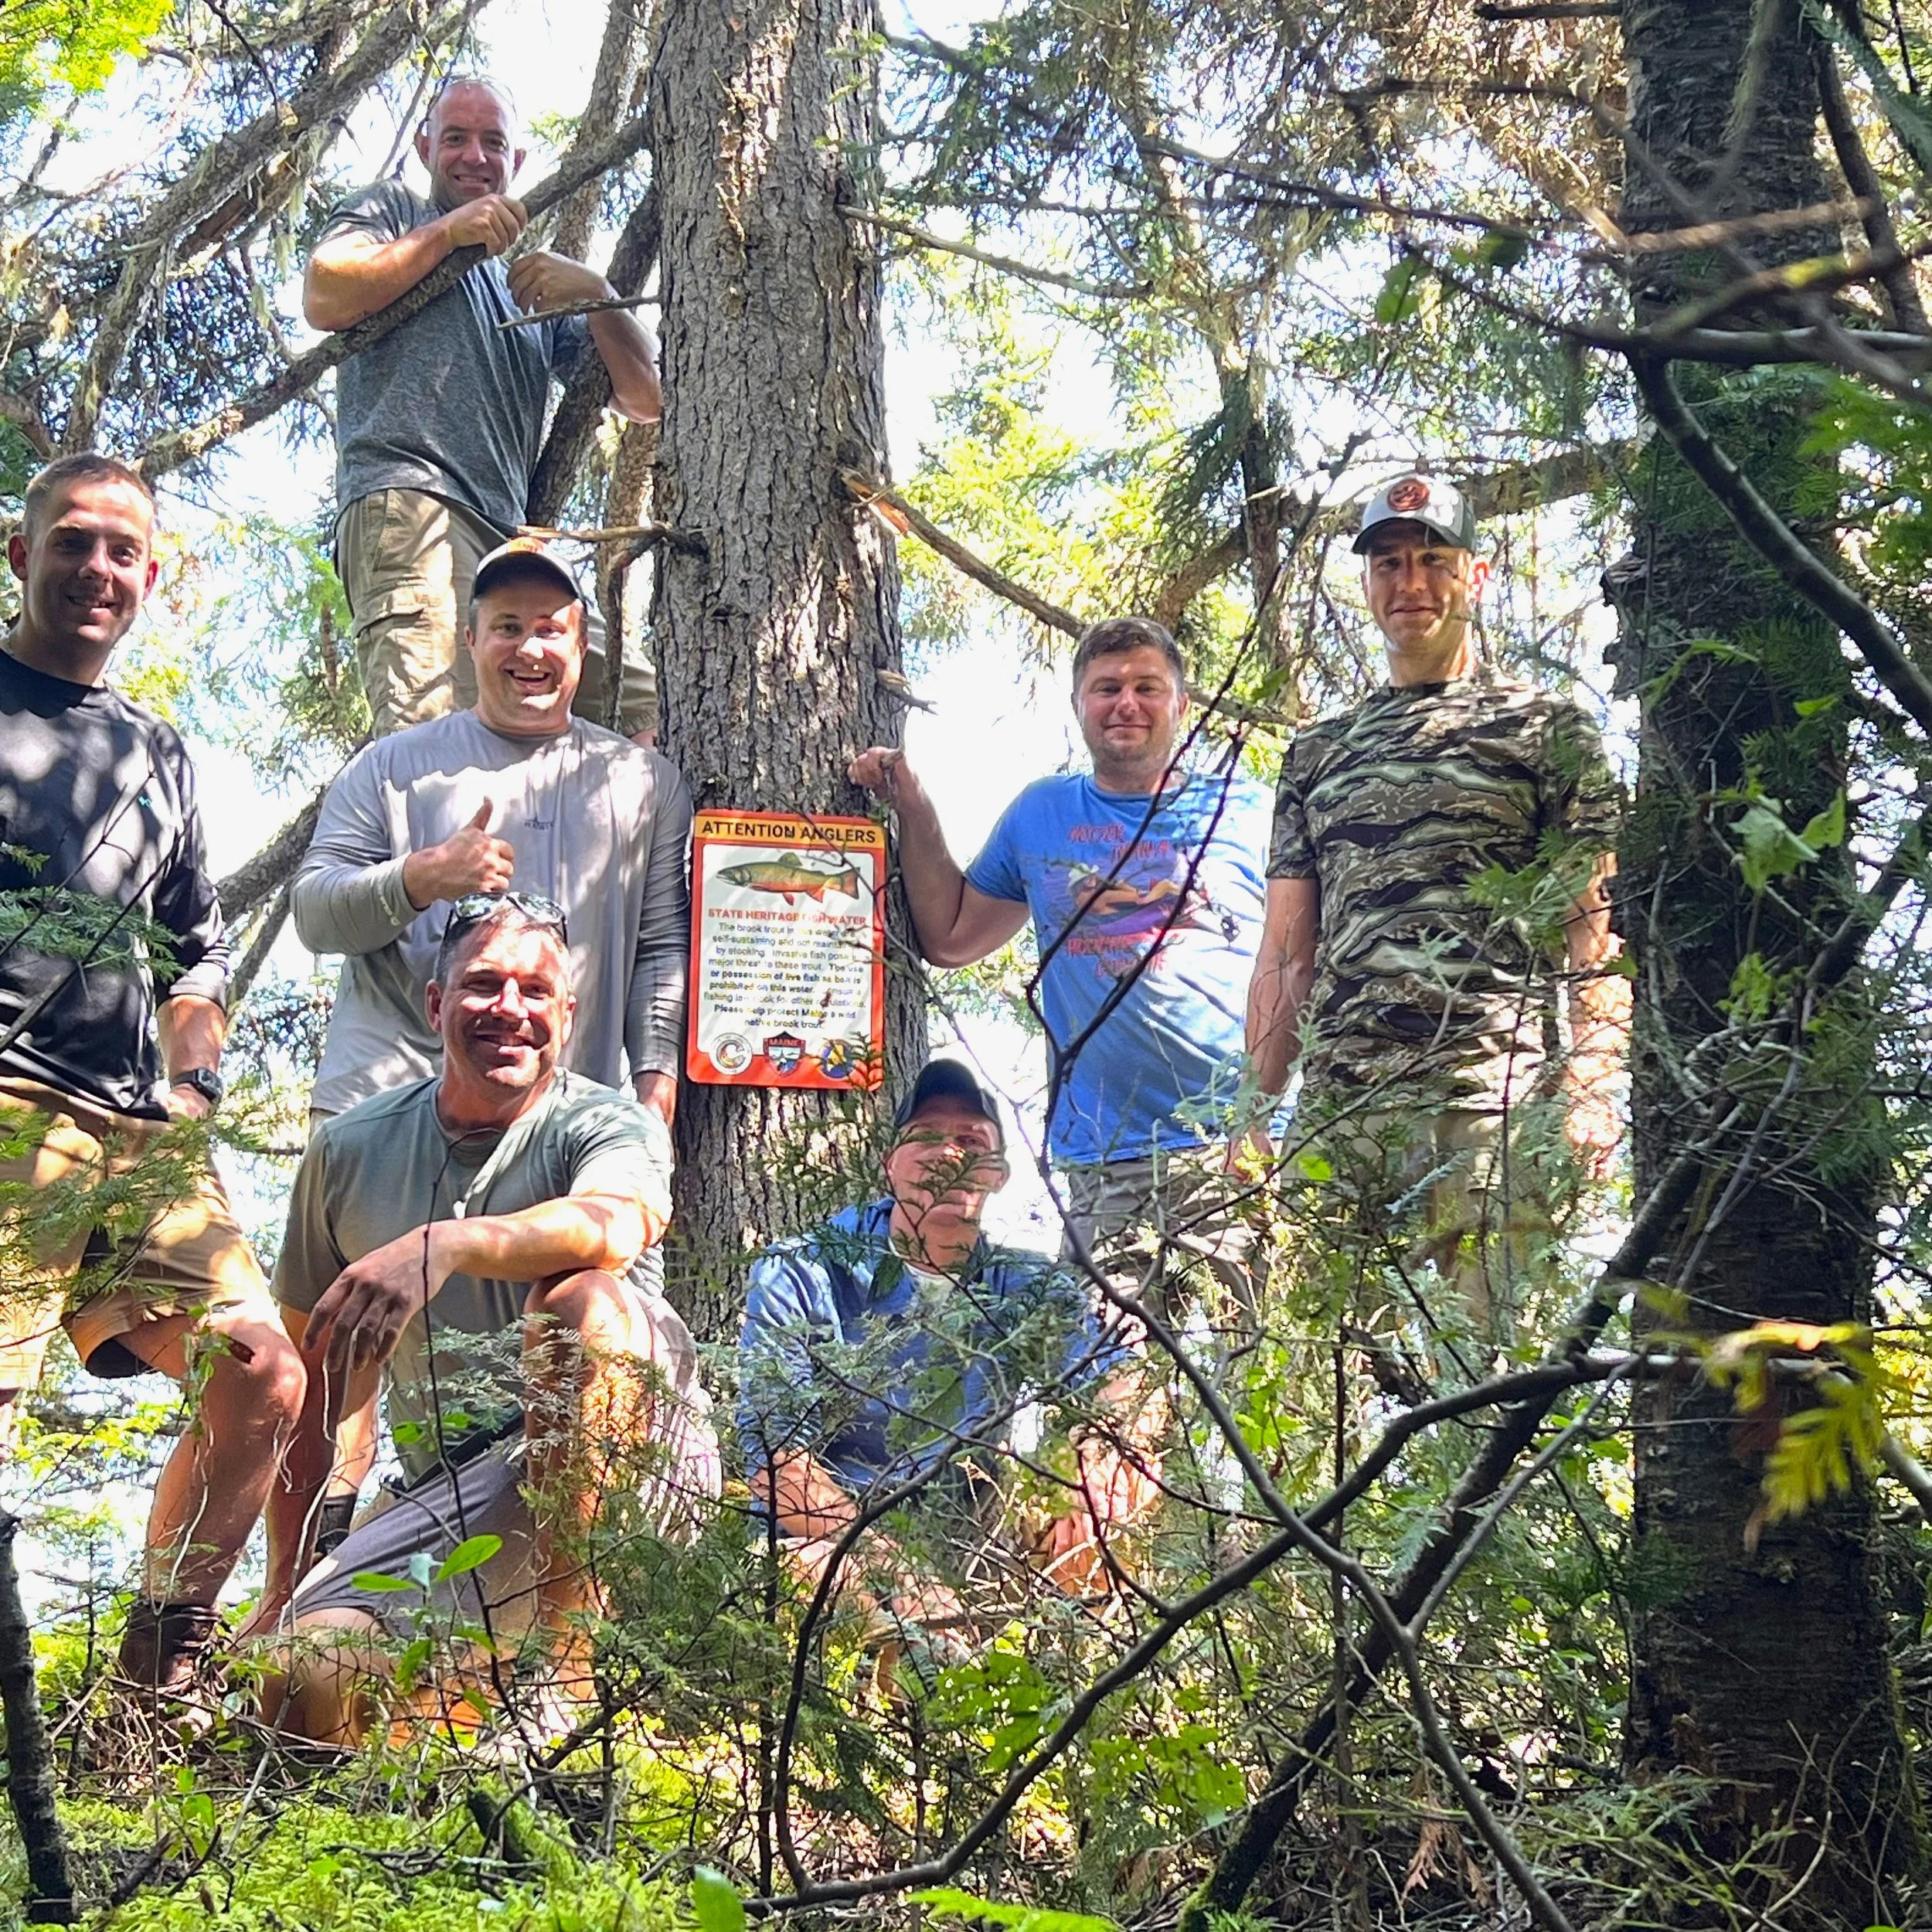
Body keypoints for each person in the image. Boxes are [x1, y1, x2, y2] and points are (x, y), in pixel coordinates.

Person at [250, 895, 717, 1746]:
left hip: (641, 1466)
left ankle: (568, 1682)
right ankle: (460, 1728)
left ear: (568, 1016)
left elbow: (619, 1220)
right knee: (302, 1680)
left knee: (582, 1304)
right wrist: (283, 1584)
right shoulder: (350, 1152)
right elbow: (320, 1391)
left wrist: (449, 1243)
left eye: (537, 991)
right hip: (455, 1492)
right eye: (483, 984)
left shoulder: (603, 1122)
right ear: (435, 1005)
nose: (511, 1008)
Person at [0, 454, 306, 1694]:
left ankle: (154, 1680)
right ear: (20, 555)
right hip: (9, 1112)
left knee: (265, 1375)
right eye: (73, 541)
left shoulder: (156, 748)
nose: (97, 569)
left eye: (123, 552)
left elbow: (198, 944)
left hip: (141, 1134)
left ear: (151, 580)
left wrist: (195, 1088)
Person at [1243, 473, 1627, 1338]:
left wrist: (1593, 1084)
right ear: (1368, 584)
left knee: (1490, 1380)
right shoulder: (1317, 753)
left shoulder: (1546, 728)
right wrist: (1251, 1113)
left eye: (1431, 560)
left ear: (1475, 576)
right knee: (1320, 1395)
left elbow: (1592, 932)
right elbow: (1285, 953)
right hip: (1340, 1118)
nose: (1409, 584)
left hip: (1489, 1104)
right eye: (1387, 565)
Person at [848, 617, 1271, 1321]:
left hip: (1234, 1150)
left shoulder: (1251, 811)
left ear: (1183, 705)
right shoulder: (1043, 812)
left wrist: (1265, 1118)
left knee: (1243, 1382)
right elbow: (951, 936)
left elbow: (1301, 963)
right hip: (1104, 1160)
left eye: (1147, 687)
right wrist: (915, 810)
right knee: (1115, 1396)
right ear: (1078, 705)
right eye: (1106, 689)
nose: (1125, 704)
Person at [738, 1058, 1157, 1657]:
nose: (948, 1153)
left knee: (1105, 1505)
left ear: (998, 1174)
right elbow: (781, 1469)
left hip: (974, 1538)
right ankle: (927, 1703)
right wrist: (900, 1574)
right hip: (832, 1541)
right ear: (891, 1165)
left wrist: (1100, 1459)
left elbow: (1124, 1380)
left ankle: (1075, 1702)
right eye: (926, 1137)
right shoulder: (802, 1270)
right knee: (839, 1591)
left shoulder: (1026, 1286)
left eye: (970, 1140)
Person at [306, 76, 662, 738]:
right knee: (440, 750)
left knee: (645, 711)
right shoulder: (393, 213)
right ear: (424, 147)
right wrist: (446, 233)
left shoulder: (522, 286)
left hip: (512, 546)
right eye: (456, 139)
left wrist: (597, 290)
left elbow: (646, 398)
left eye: (493, 142)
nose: (475, 156)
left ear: (516, 163)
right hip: (411, 507)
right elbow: (327, 292)